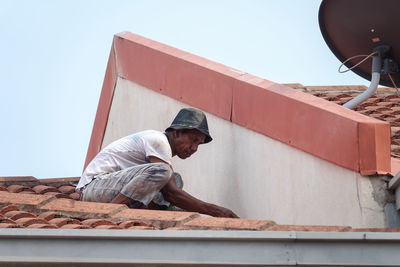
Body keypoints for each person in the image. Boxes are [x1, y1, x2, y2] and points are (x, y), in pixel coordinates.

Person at [76, 107, 238, 218]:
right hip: (94, 188)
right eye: (193, 140)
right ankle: (113, 211)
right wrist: (214, 210)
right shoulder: (158, 140)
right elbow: (171, 193)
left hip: (109, 189)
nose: (194, 148)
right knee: (164, 174)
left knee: (175, 178)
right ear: (178, 133)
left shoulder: (162, 149)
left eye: (199, 144)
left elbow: (171, 189)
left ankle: (146, 212)